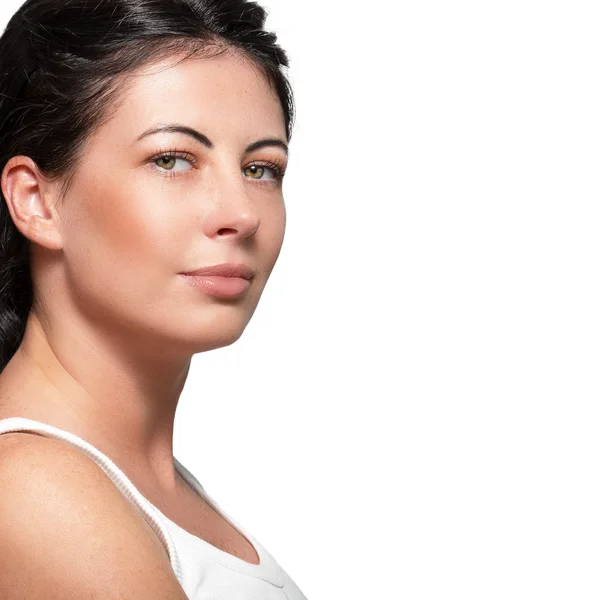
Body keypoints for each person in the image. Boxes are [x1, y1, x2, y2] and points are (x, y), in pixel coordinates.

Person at [0, 0, 305, 598]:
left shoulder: (146, 487)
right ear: (36, 200)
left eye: (261, 168)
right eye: (171, 159)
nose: (241, 213)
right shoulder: (36, 490)